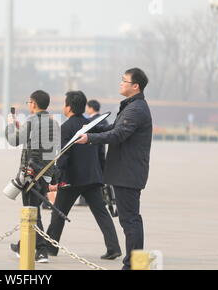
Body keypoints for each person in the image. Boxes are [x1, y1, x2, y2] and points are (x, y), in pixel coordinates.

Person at [77, 68, 153, 270]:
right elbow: (113, 128)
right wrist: (91, 127)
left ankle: (133, 265)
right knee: (129, 220)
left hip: (128, 173)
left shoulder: (137, 109)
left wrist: (89, 138)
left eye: (124, 80)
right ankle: (134, 263)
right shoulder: (130, 106)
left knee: (130, 220)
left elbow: (118, 135)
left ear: (135, 86)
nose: (121, 83)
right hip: (124, 172)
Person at [44, 91, 122, 260]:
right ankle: (114, 248)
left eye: (65, 104)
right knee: (102, 214)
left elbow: (63, 156)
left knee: (58, 214)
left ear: (69, 107)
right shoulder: (91, 125)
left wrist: (55, 180)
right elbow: (101, 151)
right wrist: (102, 175)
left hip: (72, 179)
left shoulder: (66, 128)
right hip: (93, 178)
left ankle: (51, 247)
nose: (64, 107)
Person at [5, 90, 60, 263]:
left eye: (29, 102)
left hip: (30, 175)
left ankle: (42, 250)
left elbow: (13, 140)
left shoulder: (32, 121)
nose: (29, 104)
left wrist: (10, 125)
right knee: (33, 209)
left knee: (31, 212)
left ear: (34, 104)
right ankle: (23, 246)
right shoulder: (54, 124)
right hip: (46, 175)